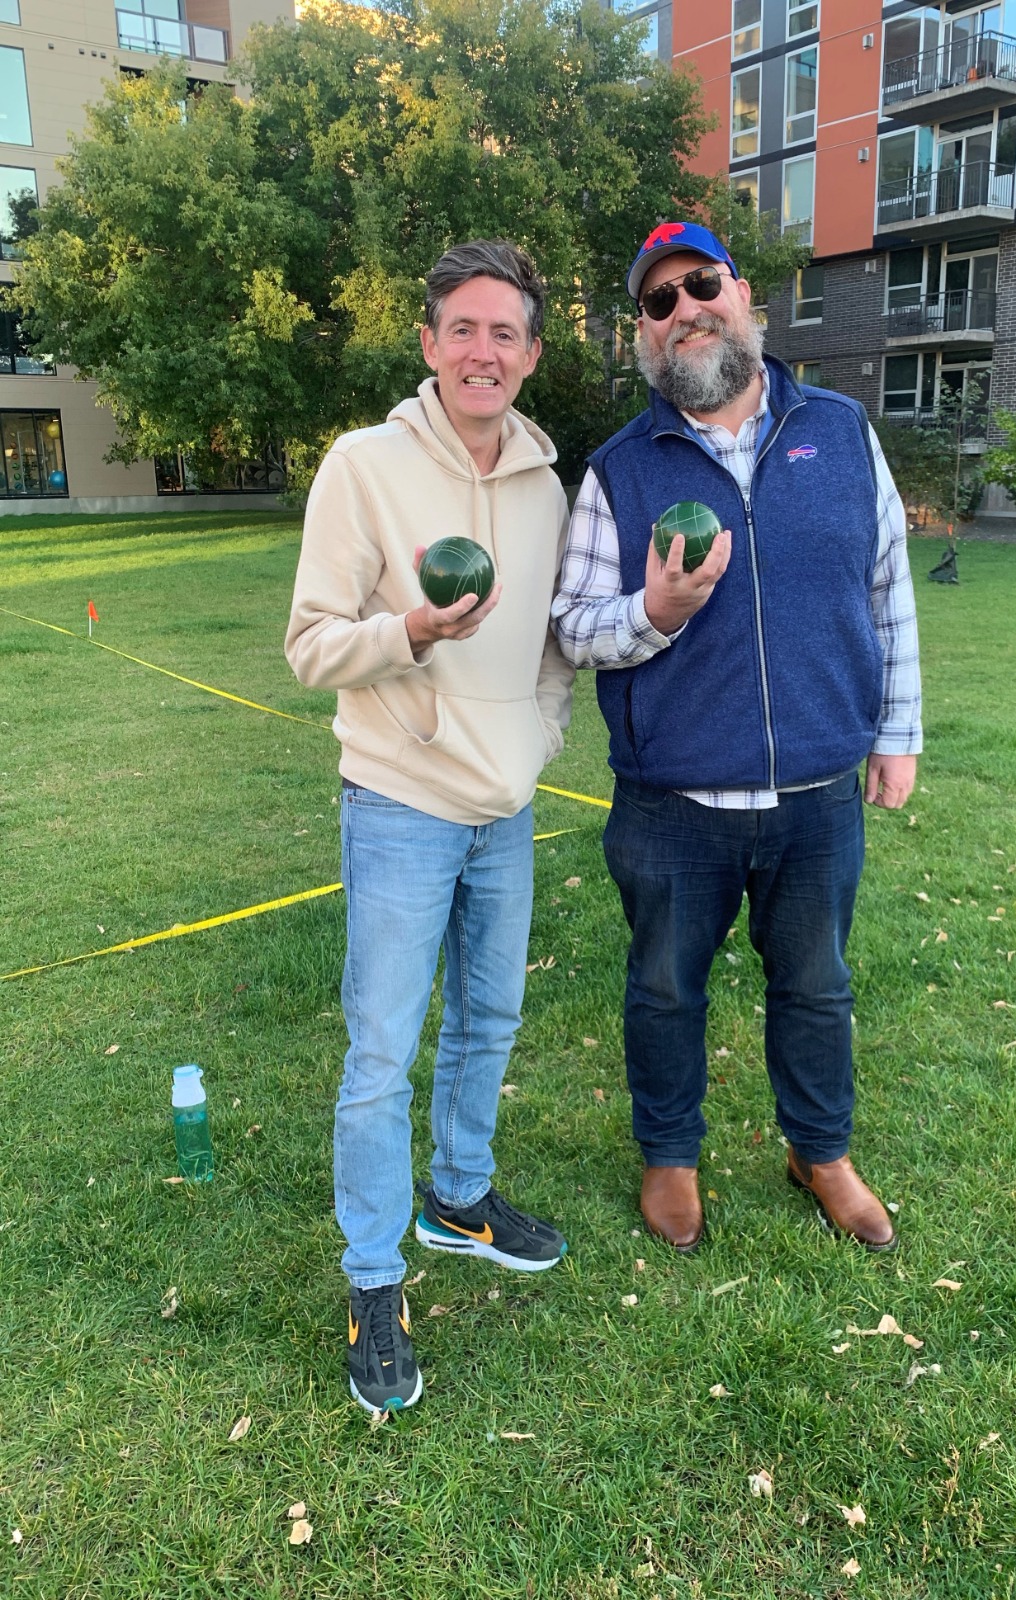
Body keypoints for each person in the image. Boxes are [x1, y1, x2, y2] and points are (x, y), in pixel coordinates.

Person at [552, 222, 921, 1255]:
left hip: (817, 791)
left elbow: (888, 587)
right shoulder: (619, 471)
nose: (685, 310)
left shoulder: (842, 432)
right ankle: (669, 1158)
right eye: (660, 301)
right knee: (665, 986)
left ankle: (821, 1151)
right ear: (645, 332)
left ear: (743, 292)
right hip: (673, 805)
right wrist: (655, 611)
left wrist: (897, 730)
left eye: (701, 284)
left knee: (817, 983)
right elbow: (575, 626)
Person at [286, 239, 575, 1412]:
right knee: (381, 1054)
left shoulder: (549, 486)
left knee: (490, 1021)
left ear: (532, 353)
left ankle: (459, 1197)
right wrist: (408, 631)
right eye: (463, 327)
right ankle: (371, 1279)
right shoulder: (362, 466)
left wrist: (539, 738)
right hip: (400, 804)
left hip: (506, 809)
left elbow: (555, 649)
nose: (482, 351)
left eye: (505, 332)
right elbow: (311, 645)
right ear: (427, 343)